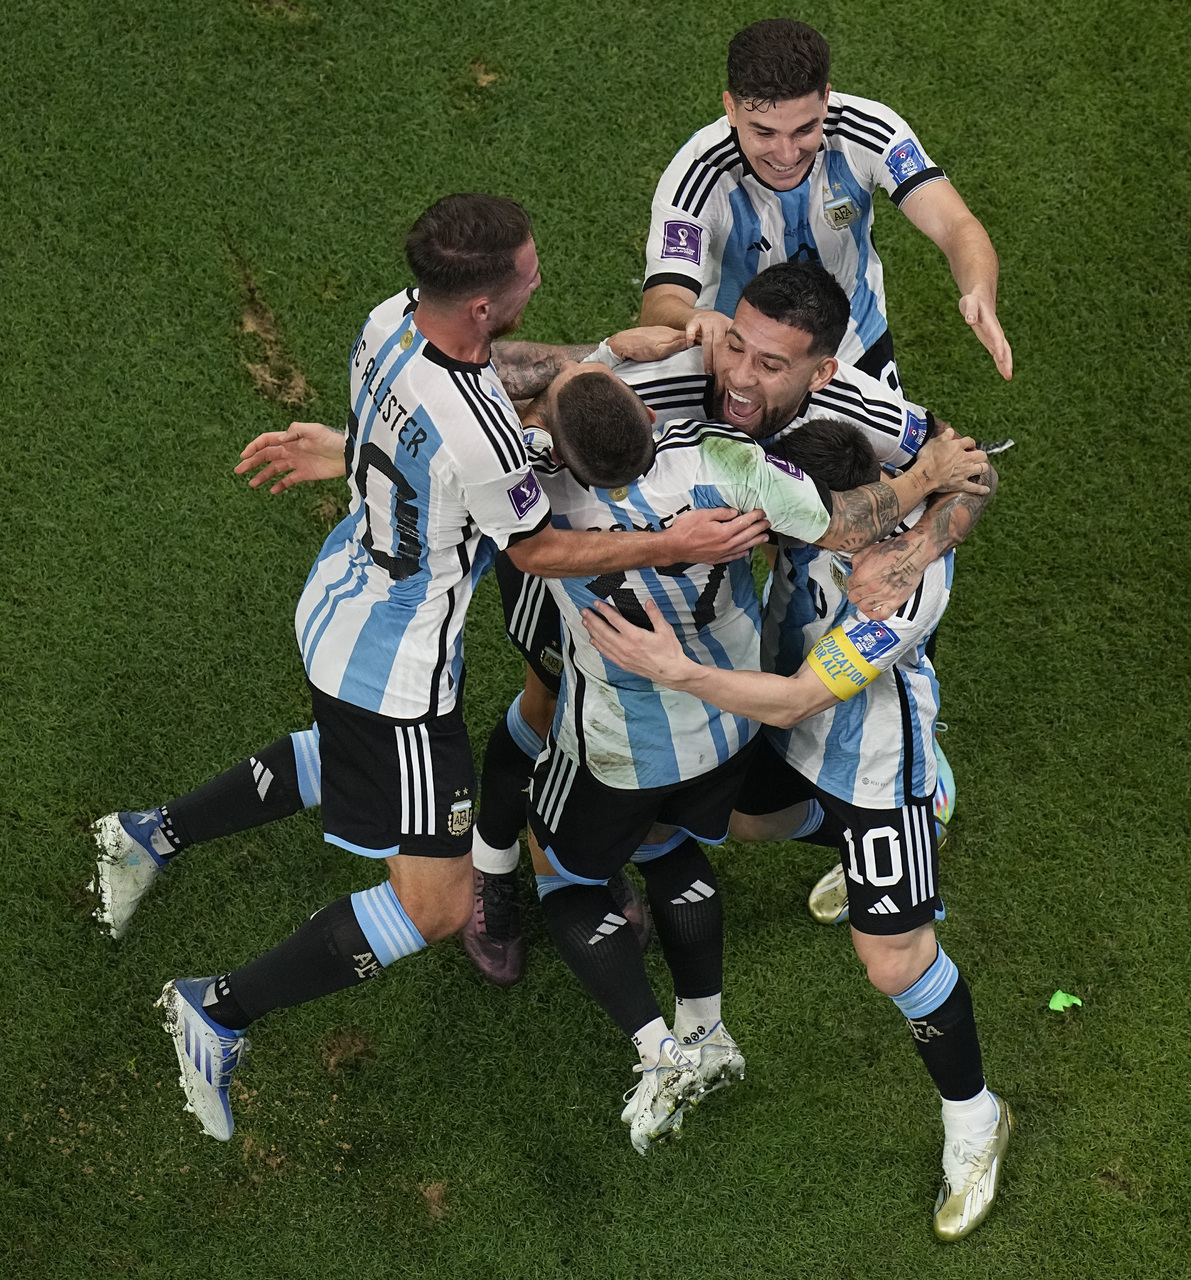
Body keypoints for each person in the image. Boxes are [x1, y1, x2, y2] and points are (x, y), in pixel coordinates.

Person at [147, 193, 769, 1144]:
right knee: (433, 907)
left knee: (347, 765)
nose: (539, 278)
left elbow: (429, 433)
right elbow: (538, 548)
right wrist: (672, 542)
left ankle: (146, 836)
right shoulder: (482, 431)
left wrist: (603, 353)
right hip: (395, 679)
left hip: (342, 599)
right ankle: (217, 1011)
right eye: (528, 272)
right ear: (481, 304)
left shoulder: (389, 320)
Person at [519, 366, 989, 1154]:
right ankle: (835, 853)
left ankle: (973, 1118)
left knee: (892, 965)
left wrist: (677, 671)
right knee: (739, 817)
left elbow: (801, 698)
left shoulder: (902, 585)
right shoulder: (777, 471)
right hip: (779, 729)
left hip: (871, 764)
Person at [640, 18, 1012, 386]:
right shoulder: (696, 177)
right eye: (764, 133)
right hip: (741, 356)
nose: (786, 155)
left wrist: (979, 290)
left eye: (805, 129)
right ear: (731, 109)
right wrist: (692, 318)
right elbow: (662, 299)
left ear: (826, 99)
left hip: (852, 345)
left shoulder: (869, 132)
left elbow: (954, 224)